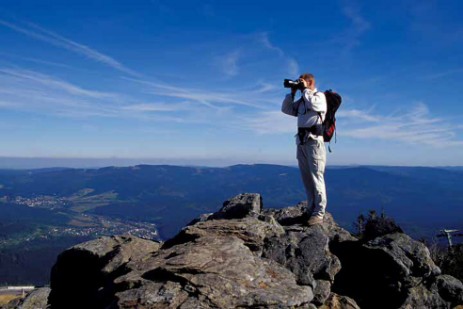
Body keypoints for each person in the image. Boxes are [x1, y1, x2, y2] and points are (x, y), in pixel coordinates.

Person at [281, 73, 327, 226]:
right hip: (301, 142)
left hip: (314, 142)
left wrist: (306, 90)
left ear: (310, 82)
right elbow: (286, 109)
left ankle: (319, 213)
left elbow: (314, 105)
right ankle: (310, 209)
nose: (300, 85)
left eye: (302, 82)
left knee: (316, 177)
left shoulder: (319, 96)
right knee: (307, 178)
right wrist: (292, 93)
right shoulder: (302, 101)